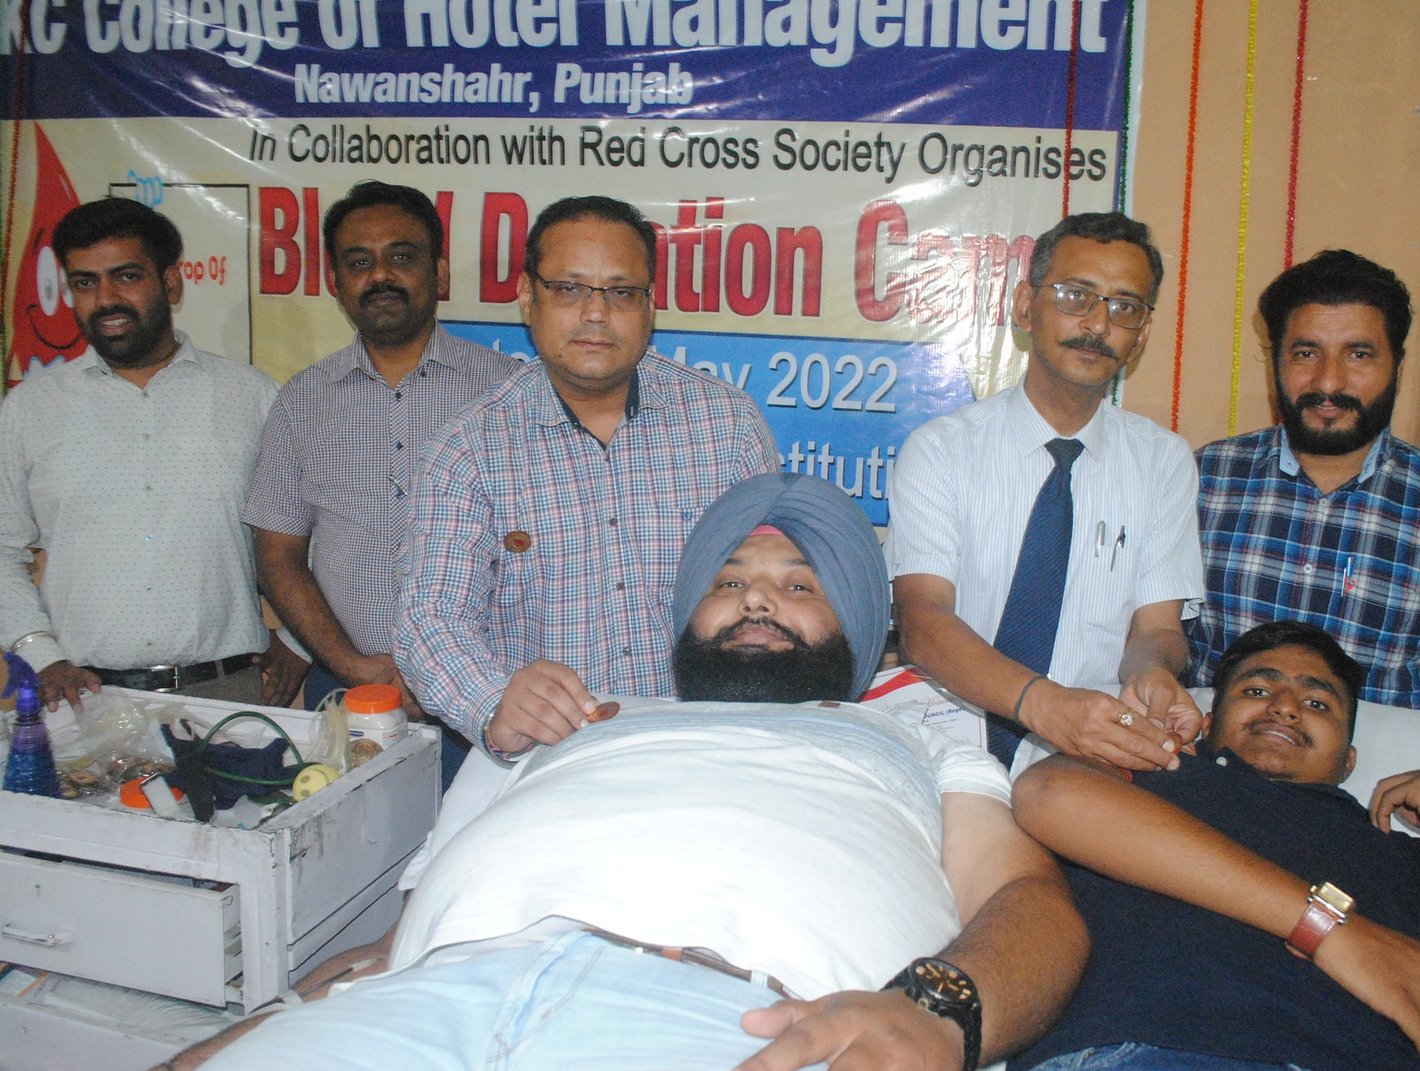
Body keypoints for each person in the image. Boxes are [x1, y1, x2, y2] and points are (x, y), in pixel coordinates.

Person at [181, 473, 1086, 1071]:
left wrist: (937, 1010)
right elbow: (404, 926)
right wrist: (280, 1017)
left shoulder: (914, 743)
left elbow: (1030, 902)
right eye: (727, 581)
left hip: (747, 1023)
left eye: (799, 585)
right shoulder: (582, 717)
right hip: (431, 997)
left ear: (855, 617)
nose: (756, 597)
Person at [1011, 620, 1420, 1071]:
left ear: (1349, 761)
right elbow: (1050, 793)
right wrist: (1330, 931)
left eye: (1317, 703)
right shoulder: (1151, 776)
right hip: (1154, 1050)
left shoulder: (1417, 863)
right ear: (1207, 724)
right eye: (1257, 688)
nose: (1286, 706)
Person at [393, 195, 777, 758]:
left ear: (650, 305)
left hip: (707, 750)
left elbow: (776, 592)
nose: (596, 314)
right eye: (569, 289)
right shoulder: (469, 449)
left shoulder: (727, 426)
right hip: (551, 760)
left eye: (621, 292)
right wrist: (494, 702)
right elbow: (431, 620)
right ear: (528, 297)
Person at [886, 211, 1205, 774]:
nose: (1098, 324)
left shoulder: (1163, 462)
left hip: (1092, 756)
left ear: (1142, 335)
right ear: (1025, 307)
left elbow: (1157, 629)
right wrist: (1044, 705)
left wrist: (1151, 674)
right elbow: (922, 623)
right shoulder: (941, 449)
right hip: (948, 741)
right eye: (1076, 296)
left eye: (1124, 307)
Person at [1186, 250, 1420, 756]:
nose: (1329, 382)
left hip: (1376, 786)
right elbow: (1154, 646)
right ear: (1276, 361)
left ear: (1397, 366)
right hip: (1215, 774)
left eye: (1358, 355)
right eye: (1306, 353)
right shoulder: (1203, 481)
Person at [243, 181, 519, 779]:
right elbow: (278, 555)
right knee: (346, 839)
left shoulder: (507, 393)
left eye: (401, 256)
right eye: (359, 262)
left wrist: (454, 673)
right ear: (335, 282)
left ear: (438, 272)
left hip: (488, 698)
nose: (381, 276)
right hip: (346, 691)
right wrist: (355, 666)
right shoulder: (302, 401)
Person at [0, 198, 304, 710]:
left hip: (225, 694)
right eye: (85, 283)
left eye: (126, 276)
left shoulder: (252, 397)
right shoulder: (31, 408)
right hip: (80, 698)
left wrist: (297, 642)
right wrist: (40, 653)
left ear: (171, 283)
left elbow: (307, 536)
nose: (106, 299)